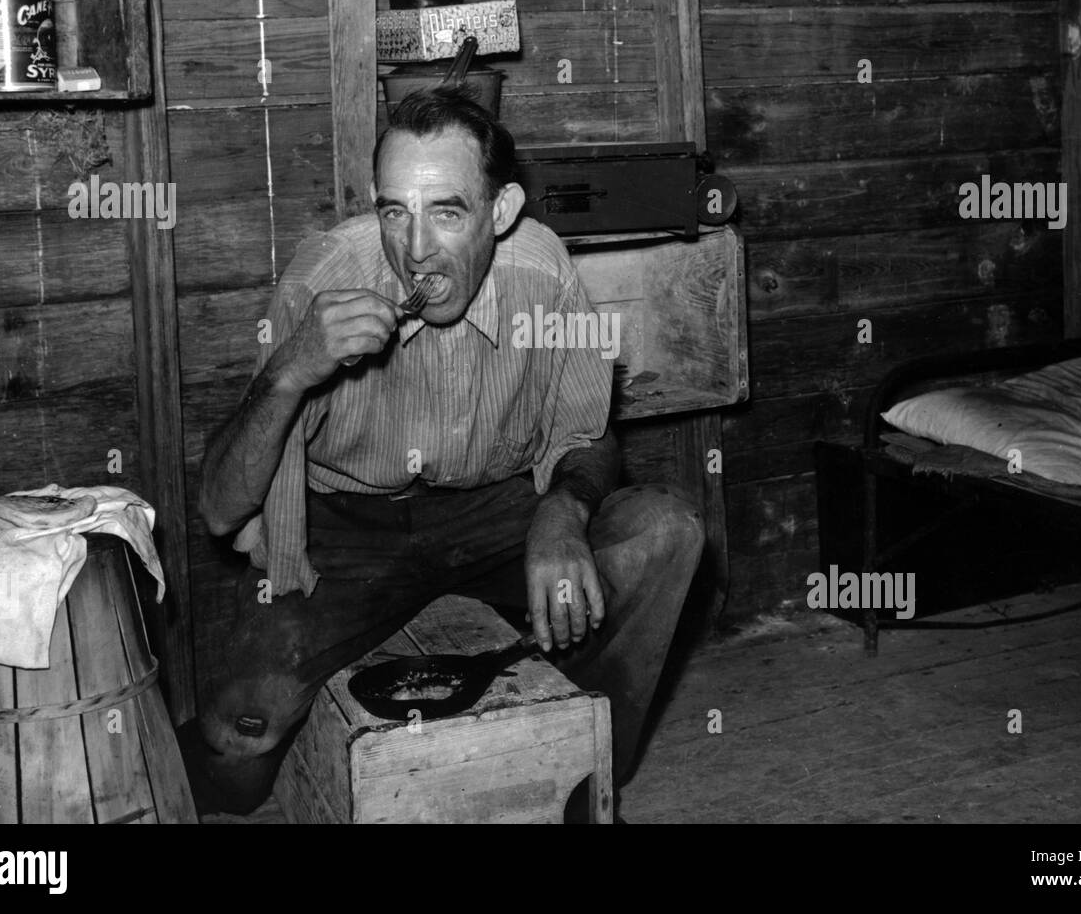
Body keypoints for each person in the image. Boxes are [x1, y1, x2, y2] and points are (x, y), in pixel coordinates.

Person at [183, 87, 704, 820]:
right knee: (240, 736)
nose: (415, 249)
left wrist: (560, 512)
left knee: (665, 532)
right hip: (345, 526)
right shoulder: (322, 278)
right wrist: (290, 369)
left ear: (501, 212)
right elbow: (217, 511)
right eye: (395, 210)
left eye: (447, 212)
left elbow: (587, 435)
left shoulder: (545, 274)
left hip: (497, 508)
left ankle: (583, 770)